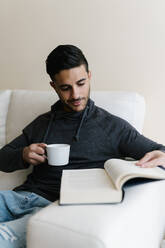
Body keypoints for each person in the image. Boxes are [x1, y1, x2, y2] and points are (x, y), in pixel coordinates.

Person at [0, 44, 165, 248]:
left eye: (81, 83)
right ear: (53, 86)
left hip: (52, 210)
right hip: (18, 197)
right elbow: (3, 158)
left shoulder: (113, 127)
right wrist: (23, 154)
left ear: (89, 75)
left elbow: (160, 150)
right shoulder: (42, 123)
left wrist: (162, 156)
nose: (76, 95)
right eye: (65, 88)